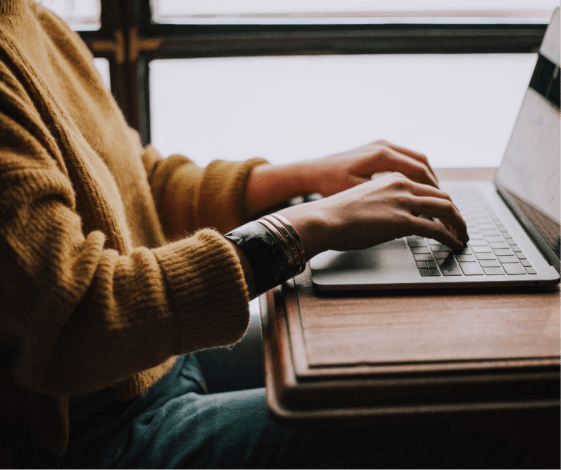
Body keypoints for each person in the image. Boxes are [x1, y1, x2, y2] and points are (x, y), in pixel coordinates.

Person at [0, 1, 531, 469]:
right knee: (476, 422)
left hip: (148, 363)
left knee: (431, 367)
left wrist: (302, 179)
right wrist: (303, 228)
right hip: (91, 435)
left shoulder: (31, 17)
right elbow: (74, 321)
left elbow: (136, 184)